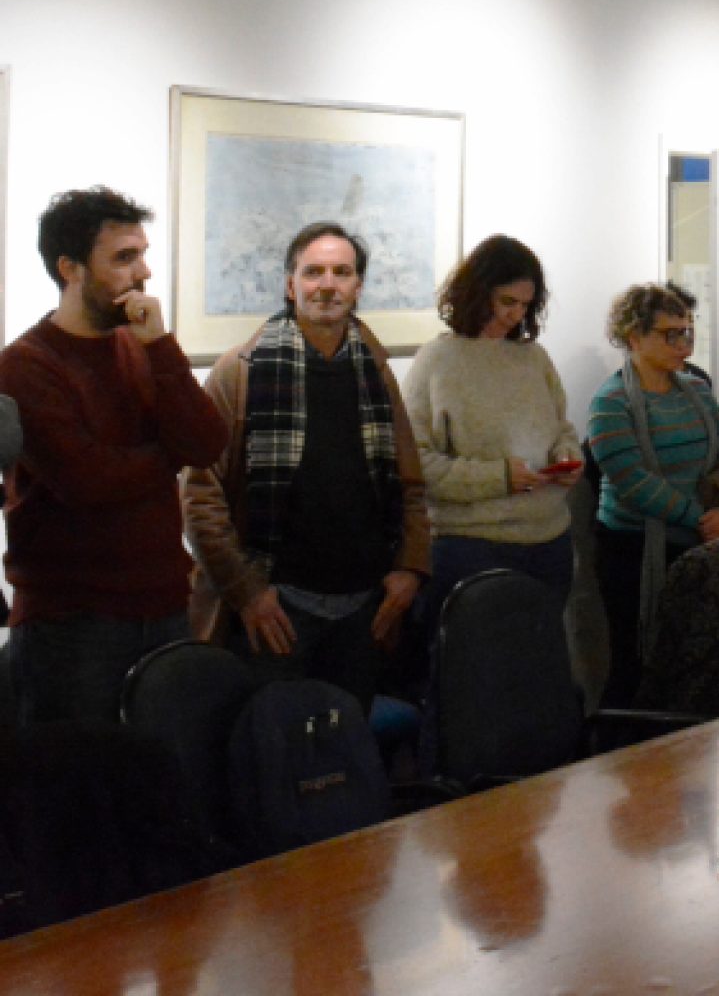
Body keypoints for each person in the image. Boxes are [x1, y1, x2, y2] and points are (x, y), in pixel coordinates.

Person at [182, 221, 430, 715]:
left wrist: (410, 568)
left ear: (358, 286)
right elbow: (201, 496)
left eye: (342, 272)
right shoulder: (240, 371)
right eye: (313, 272)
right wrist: (247, 592)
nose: (327, 285)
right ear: (290, 285)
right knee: (271, 742)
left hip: (363, 608)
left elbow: (410, 483)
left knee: (345, 740)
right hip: (276, 608)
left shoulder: (377, 373)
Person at [0, 187, 227, 725]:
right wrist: (168, 454)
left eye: (142, 254)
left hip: (163, 603)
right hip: (74, 622)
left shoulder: (139, 345)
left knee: (162, 764)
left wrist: (161, 348)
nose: (143, 272)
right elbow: (90, 482)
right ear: (70, 269)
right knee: (82, 770)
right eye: (124, 258)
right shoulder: (26, 365)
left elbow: (206, 443)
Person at [587, 282, 719, 705]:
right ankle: (630, 743)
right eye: (670, 334)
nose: (683, 345)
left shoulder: (697, 390)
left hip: (702, 544)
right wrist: (701, 519)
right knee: (637, 662)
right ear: (634, 337)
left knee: (697, 663)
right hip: (634, 551)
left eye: (687, 332)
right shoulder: (610, 402)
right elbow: (633, 482)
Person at [403, 235, 581, 608]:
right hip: (471, 546)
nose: (515, 315)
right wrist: (499, 477)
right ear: (477, 293)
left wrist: (567, 457)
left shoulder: (534, 358)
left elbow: (561, 428)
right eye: (507, 302)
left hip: (550, 540)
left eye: (525, 305)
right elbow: (418, 465)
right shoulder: (436, 361)